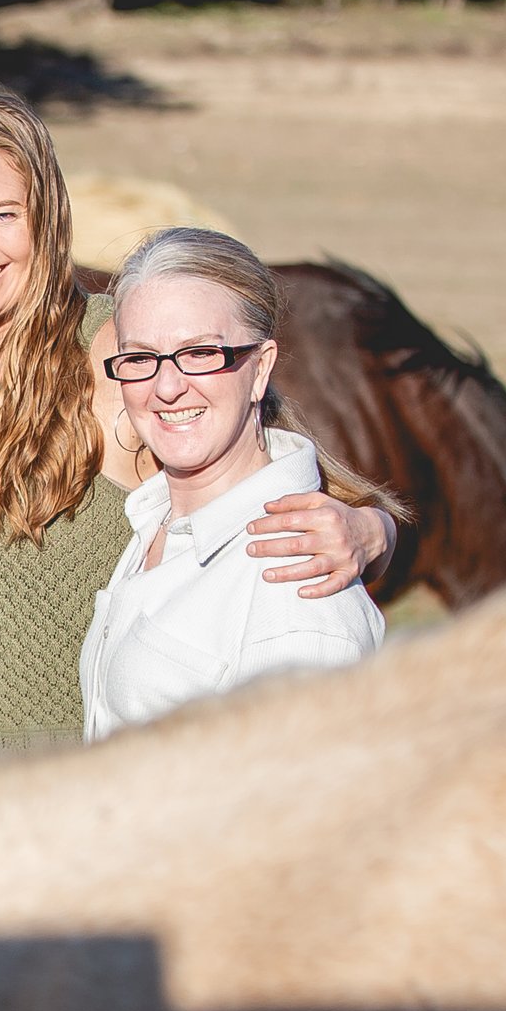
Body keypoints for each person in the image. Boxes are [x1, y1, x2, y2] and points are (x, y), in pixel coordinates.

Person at [0, 82, 398, 758]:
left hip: (89, 794)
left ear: (47, 220)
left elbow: (292, 484)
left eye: (2, 214)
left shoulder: (117, 352)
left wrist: (370, 531)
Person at [80, 228, 386, 740]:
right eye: (139, 359)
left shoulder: (295, 592)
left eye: (201, 353)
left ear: (260, 369)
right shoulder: (154, 522)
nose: (168, 387)